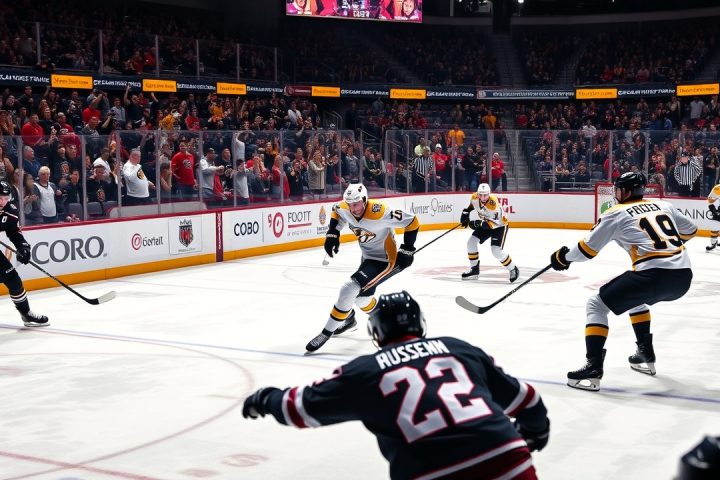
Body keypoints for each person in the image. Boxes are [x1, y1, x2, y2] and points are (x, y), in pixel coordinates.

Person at [244, 290, 550, 480]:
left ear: (376, 333)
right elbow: (529, 401)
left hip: (430, 472)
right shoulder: (459, 348)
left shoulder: (365, 371)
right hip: (506, 456)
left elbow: (297, 409)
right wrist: (535, 433)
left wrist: (267, 398)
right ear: (421, 323)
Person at [550, 172, 697, 391]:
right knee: (636, 300)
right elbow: (691, 229)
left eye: (618, 189)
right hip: (683, 278)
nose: (616, 193)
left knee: (596, 304)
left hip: (653, 277)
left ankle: (593, 367)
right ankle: (645, 353)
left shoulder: (616, 213)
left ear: (625, 191)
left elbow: (586, 250)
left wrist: (563, 257)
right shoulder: (664, 205)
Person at [306, 183, 420, 353]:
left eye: (357, 204)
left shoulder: (380, 211)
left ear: (365, 200)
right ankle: (369, 318)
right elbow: (336, 210)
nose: (353, 209)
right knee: (361, 298)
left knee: (349, 289)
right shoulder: (345, 207)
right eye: (350, 204)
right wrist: (333, 233)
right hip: (367, 259)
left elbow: (412, 221)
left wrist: (407, 249)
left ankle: (325, 333)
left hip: (384, 260)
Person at [0, 180, 49, 327]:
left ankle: (26, 314)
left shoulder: (10, 210)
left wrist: (23, 247)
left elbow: (14, 232)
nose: (2, 202)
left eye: (5, 198)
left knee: (13, 280)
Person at [459, 183, 519, 283]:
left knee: (496, 250)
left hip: (499, 226)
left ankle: (513, 269)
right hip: (486, 223)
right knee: (471, 242)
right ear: (477, 194)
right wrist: (465, 213)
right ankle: (474, 269)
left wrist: (477, 224)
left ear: (489, 194)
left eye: (485, 195)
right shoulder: (474, 197)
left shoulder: (493, 203)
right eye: (481, 195)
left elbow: (492, 224)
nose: (483, 197)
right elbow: (471, 206)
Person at [706, 181, 720, 251]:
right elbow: (710, 200)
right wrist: (713, 210)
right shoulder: (717, 188)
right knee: (714, 225)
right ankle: (713, 244)